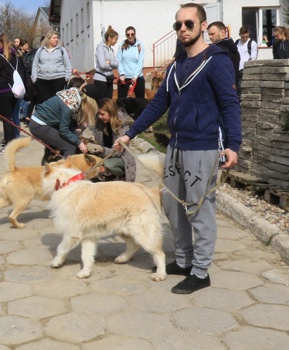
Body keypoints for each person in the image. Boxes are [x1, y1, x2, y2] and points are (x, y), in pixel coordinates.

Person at [115, 3, 241, 295]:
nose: (182, 29)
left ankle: (200, 270)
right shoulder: (175, 67)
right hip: (176, 145)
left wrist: (233, 144)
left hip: (203, 146)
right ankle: (183, 261)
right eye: (178, 25)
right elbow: (159, 104)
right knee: (173, 205)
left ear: (202, 26)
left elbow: (230, 104)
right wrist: (130, 134)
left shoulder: (217, 60)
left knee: (199, 209)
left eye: (188, 23)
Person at [28, 77, 97, 162]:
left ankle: (54, 165)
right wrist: (79, 143)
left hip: (43, 121)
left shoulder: (72, 96)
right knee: (69, 147)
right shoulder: (70, 104)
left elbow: (66, 123)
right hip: (39, 125)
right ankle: (64, 172)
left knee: (71, 140)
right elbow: (63, 130)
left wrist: (75, 133)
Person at [30, 31, 73, 122]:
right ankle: (42, 121)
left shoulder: (61, 50)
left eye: (57, 38)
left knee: (56, 102)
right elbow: (35, 64)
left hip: (58, 79)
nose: (56, 39)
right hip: (42, 80)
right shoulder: (40, 50)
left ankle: (55, 121)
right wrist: (34, 78)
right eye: (54, 38)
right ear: (48, 39)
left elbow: (67, 64)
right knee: (42, 103)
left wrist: (67, 77)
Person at [0, 33, 24, 151]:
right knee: (11, 117)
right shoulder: (16, 57)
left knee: (6, 118)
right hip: (16, 90)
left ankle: (8, 144)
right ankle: (13, 142)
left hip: (3, 90)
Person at [92, 98, 136, 181]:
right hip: (106, 155)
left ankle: (120, 175)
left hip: (122, 158)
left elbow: (117, 151)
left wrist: (101, 150)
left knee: (106, 164)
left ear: (111, 113)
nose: (99, 116)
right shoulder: (99, 122)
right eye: (98, 114)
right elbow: (97, 140)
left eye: (102, 114)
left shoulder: (122, 125)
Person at [117, 26, 146, 100]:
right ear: (126, 35)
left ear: (135, 34)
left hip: (137, 77)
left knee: (140, 101)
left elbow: (140, 61)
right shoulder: (122, 45)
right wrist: (122, 74)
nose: (130, 36)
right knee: (121, 101)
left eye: (132, 34)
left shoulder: (139, 45)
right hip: (124, 78)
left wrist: (135, 76)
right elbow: (118, 60)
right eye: (128, 34)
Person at [94, 26, 119, 102]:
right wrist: (112, 66)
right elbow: (102, 65)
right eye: (115, 39)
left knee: (108, 103)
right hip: (101, 80)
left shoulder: (111, 50)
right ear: (109, 38)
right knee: (101, 103)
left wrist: (110, 62)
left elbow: (117, 64)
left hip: (109, 79)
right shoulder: (100, 48)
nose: (116, 41)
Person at [236, 26, 258, 96]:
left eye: (246, 36)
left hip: (245, 68)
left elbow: (253, 58)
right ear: (240, 35)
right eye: (243, 37)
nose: (245, 38)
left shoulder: (252, 43)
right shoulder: (236, 42)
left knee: (241, 88)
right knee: (236, 88)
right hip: (236, 68)